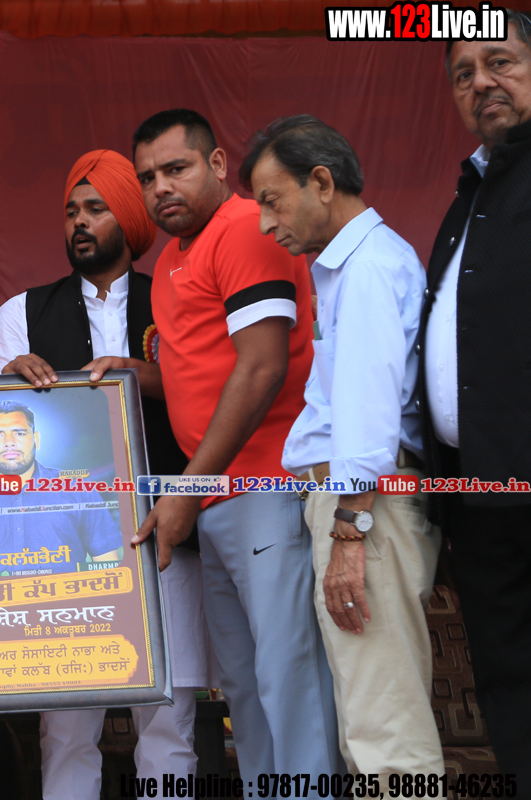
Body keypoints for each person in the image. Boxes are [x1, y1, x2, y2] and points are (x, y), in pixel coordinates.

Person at [0, 149, 209, 798]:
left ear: (130, 218)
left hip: (165, 537)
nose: (79, 222)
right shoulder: (20, 315)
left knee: (168, 723)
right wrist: (4, 381)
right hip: (63, 554)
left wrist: (147, 376)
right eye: (70, 211)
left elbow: (215, 393)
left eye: (95, 209)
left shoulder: (180, 299)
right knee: (66, 728)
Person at [130, 109, 339, 777]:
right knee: (244, 689)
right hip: (219, 498)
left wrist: (188, 489)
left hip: (265, 485)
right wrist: (133, 376)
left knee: (288, 679)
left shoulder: (245, 226)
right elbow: (204, 372)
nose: (161, 187)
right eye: (147, 177)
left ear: (217, 164)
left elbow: (262, 368)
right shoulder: (173, 257)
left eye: (176, 168)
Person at [242, 115, 442, 777]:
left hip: (365, 507)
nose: (266, 224)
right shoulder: (351, 267)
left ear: (322, 183)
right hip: (359, 505)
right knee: (372, 718)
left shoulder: (367, 269)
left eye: (272, 201)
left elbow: (368, 417)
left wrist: (351, 534)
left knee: (385, 732)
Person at [420, 13, 531, 776]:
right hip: (480, 495)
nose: (481, 82)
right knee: (508, 681)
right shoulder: (470, 199)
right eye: (464, 74)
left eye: (501, 62)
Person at [0, 400, 121, 577]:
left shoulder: (77, 489)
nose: (9, 442)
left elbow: (108, 567)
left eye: (19, 433)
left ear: (36, 439)